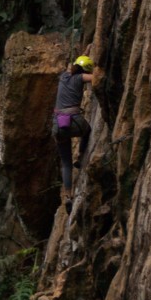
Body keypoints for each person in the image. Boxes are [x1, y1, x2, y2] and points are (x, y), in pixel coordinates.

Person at [52, 51, 94, 215]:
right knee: (88, 130)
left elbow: (75, 66)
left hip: (58, 125)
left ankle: (68, 196)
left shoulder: (64, 76)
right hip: (74, 123)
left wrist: (86, 52)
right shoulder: (81, 78)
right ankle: (81, 154)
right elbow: (94, 77)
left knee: (66, 163)